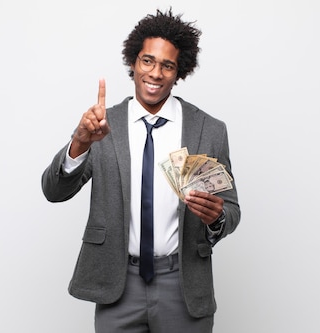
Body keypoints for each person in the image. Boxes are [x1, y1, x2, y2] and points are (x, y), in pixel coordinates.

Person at [42, 8, 240, 333]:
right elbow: (54, 191)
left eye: (168, 65)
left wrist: (216, 217)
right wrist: (79, 143)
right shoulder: (103, 126)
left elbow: (231, 211)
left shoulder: (209, 130)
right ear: (133, 63)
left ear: (179, 73)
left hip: (183, 284)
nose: (156, 73)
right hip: (118, 284)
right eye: (148, 61)